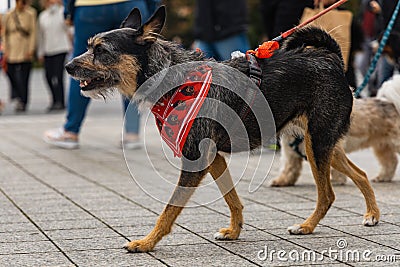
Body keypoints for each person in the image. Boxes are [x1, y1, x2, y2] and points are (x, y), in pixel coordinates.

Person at [44, 0, 160, 149]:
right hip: (131, 4)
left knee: (82, 67)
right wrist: (151, 7)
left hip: (90, 7)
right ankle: (131, 133)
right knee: (131, 69)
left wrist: (69, 11)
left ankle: (70, 132)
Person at [1, 0, 37, 112]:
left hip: (24, 48)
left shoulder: (31, 13)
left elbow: (33, 32)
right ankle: (16, 94)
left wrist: (31, 49)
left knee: (24, 77)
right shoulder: (9, 14)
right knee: (10, 73)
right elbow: (5, 33)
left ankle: (23, 101)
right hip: (12, 49)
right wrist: (5, 50)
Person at [37, 0, 72, 112]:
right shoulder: (42, 16)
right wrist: (40, 52)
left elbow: (69, 29)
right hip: (48, 50)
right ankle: (54, 99)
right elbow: (41, 36)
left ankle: (60, 102)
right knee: (48, 76)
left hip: (61, 48)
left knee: (58, 76)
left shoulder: (62, 12)